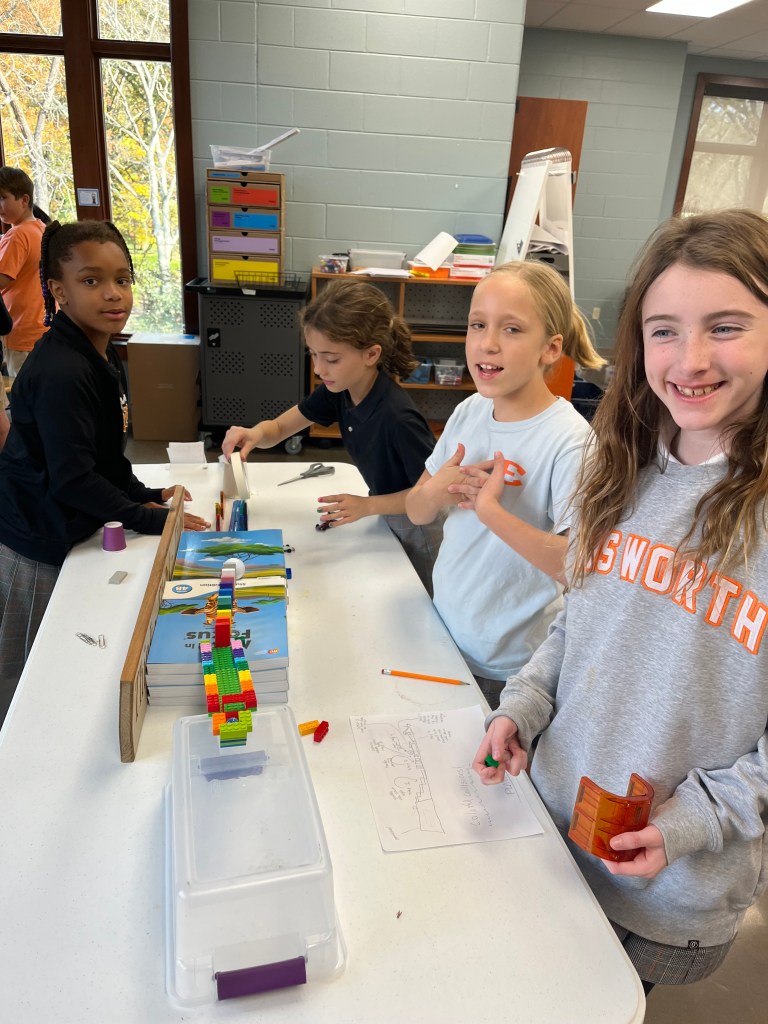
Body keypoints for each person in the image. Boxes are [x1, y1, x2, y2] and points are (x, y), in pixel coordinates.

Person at [473, 208, 768, 993]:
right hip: (550, 828)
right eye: (665, 331)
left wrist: (692, 822)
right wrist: (523, 706)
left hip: (668, 885)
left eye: (726, 327)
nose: (690, 360)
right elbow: (580, 623)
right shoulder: (621, 466)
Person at [0, 219, 208, 724]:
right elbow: (73, 479)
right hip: (35, 543)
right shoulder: (63, 370)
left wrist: (145, 492)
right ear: (59, 291)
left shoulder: (97, 350)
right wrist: (152, 519)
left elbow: (104, 457)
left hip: (65, 525)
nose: (114, 294)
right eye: (91, 281)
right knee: (29, 677)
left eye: (123, 279)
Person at [406, 261, 605, 706]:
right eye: (478, 325)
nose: (487, 343)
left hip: (509, 666)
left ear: (550, 348)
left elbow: (577, 566)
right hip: (443, 632)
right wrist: (436, 490)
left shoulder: (569, 440)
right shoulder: (469, 411)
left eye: (511, 329)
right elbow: (417, 511)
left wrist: (491, 512)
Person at [223, 277, 443, 593]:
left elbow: (432, 495)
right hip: (386, 509)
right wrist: (255, 433)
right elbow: (280, 429)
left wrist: (368, 506)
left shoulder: (398, 418)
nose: (318, 369)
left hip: (419, 527)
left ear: (371, 354)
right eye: (313, 354)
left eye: (331, 358)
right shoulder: (338, 391)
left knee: (422, 598)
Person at [0, 167, 46, 380]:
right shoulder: (41, 228)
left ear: (24, 200)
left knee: (23, 391)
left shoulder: (17, 235)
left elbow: (2, 279)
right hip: (41, 327)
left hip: (21, 329)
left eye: (3, 198)